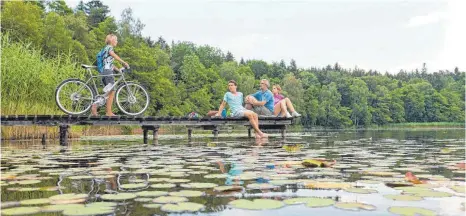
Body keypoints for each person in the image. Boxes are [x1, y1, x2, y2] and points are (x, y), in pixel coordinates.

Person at [91, 34, 129, 116]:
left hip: (105, 72)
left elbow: (109, 64)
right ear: (111, 40)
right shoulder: (109, 47)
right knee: (112, 91)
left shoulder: (105, 49)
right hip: (107, 72)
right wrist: (123, 62)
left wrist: (118, 70)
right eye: (116, 39)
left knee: (109, 92)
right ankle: (108, 112)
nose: (117, 41)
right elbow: (113, 55)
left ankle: (95, 105)